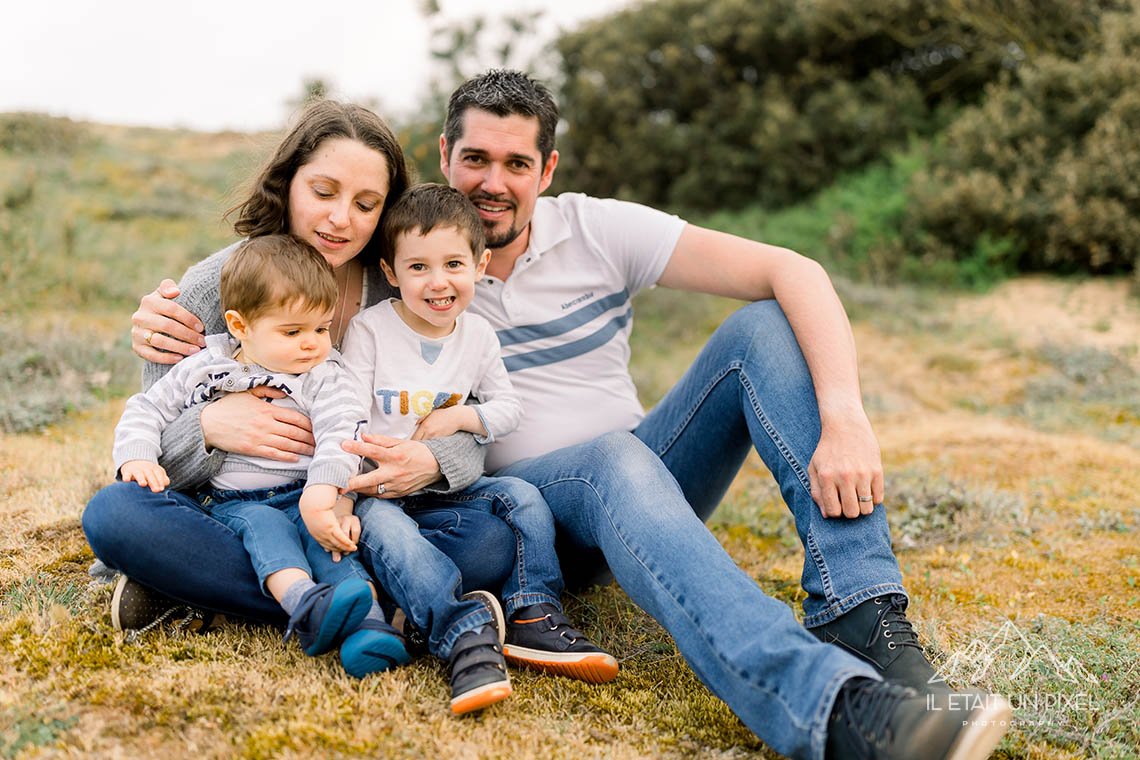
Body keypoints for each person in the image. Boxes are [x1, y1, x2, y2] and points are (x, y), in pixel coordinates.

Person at [125, 75, 1013, 759]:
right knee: (608, 461)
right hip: (502, 511)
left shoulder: (588, 231)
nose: (493, 183)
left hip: (620, 486)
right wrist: (182, 378)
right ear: (444, 161)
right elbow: (198, 382)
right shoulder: (376, 262)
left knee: (759, 331)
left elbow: (796, 268)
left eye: (518, 164)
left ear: (547, 170)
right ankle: (829, 712)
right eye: (475, 160)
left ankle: (861, 607)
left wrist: (848, 415)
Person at [82, 99, 515, 636]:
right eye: (323, 192)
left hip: (369, 513)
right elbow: (154, 455)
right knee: (116, 514)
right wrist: (210, 429)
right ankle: (378, 608)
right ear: (288, 184)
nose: (341, 219)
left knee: (489, 540)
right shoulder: (213, 288)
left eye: (366, 203)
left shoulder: (407, 285)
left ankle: (205, 592)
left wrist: (432, 460)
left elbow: (469, 415)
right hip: (242, 511)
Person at [338, 182, 617, 714]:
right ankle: (459, 631)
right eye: (417, 267)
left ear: (480, 264)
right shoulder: (371, 329)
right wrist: (351, 483)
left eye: (452, 264)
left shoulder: (479, 336)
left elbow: (509, 409)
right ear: (391, 273)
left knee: (518, 496)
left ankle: (533, 610)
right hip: (378, 490)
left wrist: (461, 415)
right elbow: (346, 410)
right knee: (394, 535)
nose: (438, 282)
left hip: (443, 491)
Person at [101, 234, 410, 676]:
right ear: (240, 326)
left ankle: (371, 630)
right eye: (293, 331)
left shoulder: (325, 374)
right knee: (266, 532)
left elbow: (343, 430)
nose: (312, 344)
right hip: (237, 503)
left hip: (307, 494)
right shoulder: (206, 365)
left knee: (336, 549)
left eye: (321, 328)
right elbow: (149, 406)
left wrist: (323, 495)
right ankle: (306, 606)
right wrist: (138, 456)